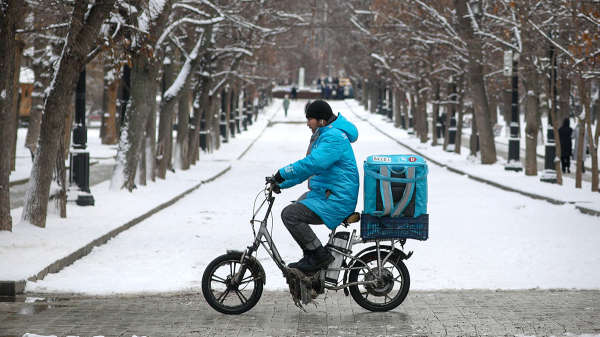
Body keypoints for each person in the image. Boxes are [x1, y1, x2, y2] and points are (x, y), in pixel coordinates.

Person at [272, 100, 359, 272]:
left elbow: (312, 164)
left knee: (291, 215)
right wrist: (281, 182)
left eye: (310, 119)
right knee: (296, 207)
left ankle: (319, 255)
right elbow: (308, 171)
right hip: (329, 194)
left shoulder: (333, 138)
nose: (307, 123)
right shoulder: (326, 135)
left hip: (337, 198)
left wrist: (283, 172)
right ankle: (311, 256)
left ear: (322, 120)